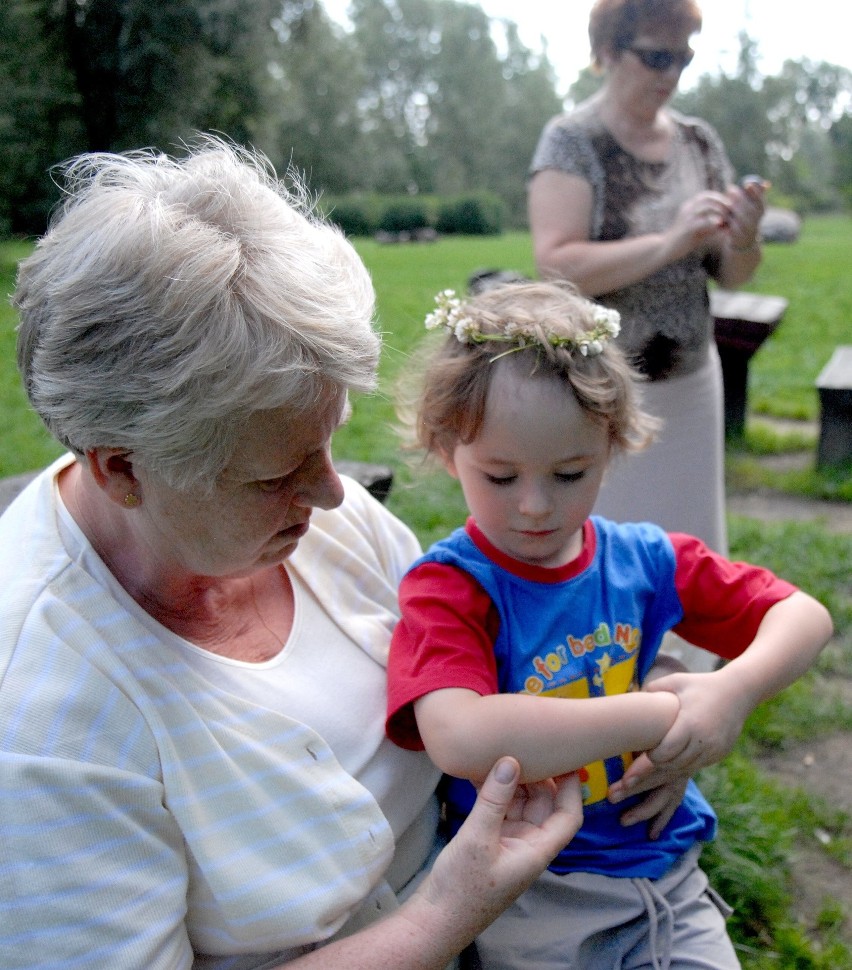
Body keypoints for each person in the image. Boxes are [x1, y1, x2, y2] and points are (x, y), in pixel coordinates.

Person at [0, 138, 585, 970]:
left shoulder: (315, 527)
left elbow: (493, 650)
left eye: (330, 442)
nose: (334, 495)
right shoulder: (42, 723)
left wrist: (635, 706)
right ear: (123, 468)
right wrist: (444, 917)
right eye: (277, 473)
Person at [386, 281, 833, 969]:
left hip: (668, 879)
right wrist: (657, 717)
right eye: (500, 477)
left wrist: (733, 691)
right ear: (448, 452)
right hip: (527, 894)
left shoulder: (645, 561)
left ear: (612, 445)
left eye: (570, 473)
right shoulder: (453, 587)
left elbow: (803, 616)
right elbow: (461, 736)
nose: (535, 506)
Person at [527, 0, 767, 571]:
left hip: (690, 380)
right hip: (602, 394)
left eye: (683, 58)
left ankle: (693, 661)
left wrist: (744, 237)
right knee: (612, 557)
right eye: (656, 56)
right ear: (607, 51)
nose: (671, 75)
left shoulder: (699, 142)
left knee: (693, 549)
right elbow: (558, 264)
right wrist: (670, 240)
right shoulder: (572, 140)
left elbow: (731, 273)